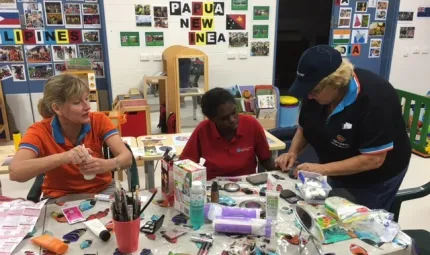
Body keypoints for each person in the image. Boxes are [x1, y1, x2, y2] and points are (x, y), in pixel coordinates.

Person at [275, 45, 411, 211]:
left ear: (336, 82)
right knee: (333, 209)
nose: (309, 96)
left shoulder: (376, 98)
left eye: (314, 91)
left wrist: (322, 169)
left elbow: (374, 159)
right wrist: (293, 152)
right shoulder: (315, 94)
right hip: (337, 163)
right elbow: (305, 127)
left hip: (375, 176)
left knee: (359, 222)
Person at [9, 74, 132, 199]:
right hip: (60, 196)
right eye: (77, 102)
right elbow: (15, 172)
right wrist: (65, 157)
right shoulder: (39, 131)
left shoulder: (98, 120)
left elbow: (127, 157)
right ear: (57, 108)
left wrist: (108, 164)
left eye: (87, 99)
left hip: (102, 191)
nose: (88, 107)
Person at [180, 88, 275, 180]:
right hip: (214, 188)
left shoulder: (251, 124)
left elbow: (265, 159)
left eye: (234, 113)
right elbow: (185, 164)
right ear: (212, 119)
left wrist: (281, 167)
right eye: (224, 118)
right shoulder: (203, 130)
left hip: (248, 186)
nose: (232, 120)